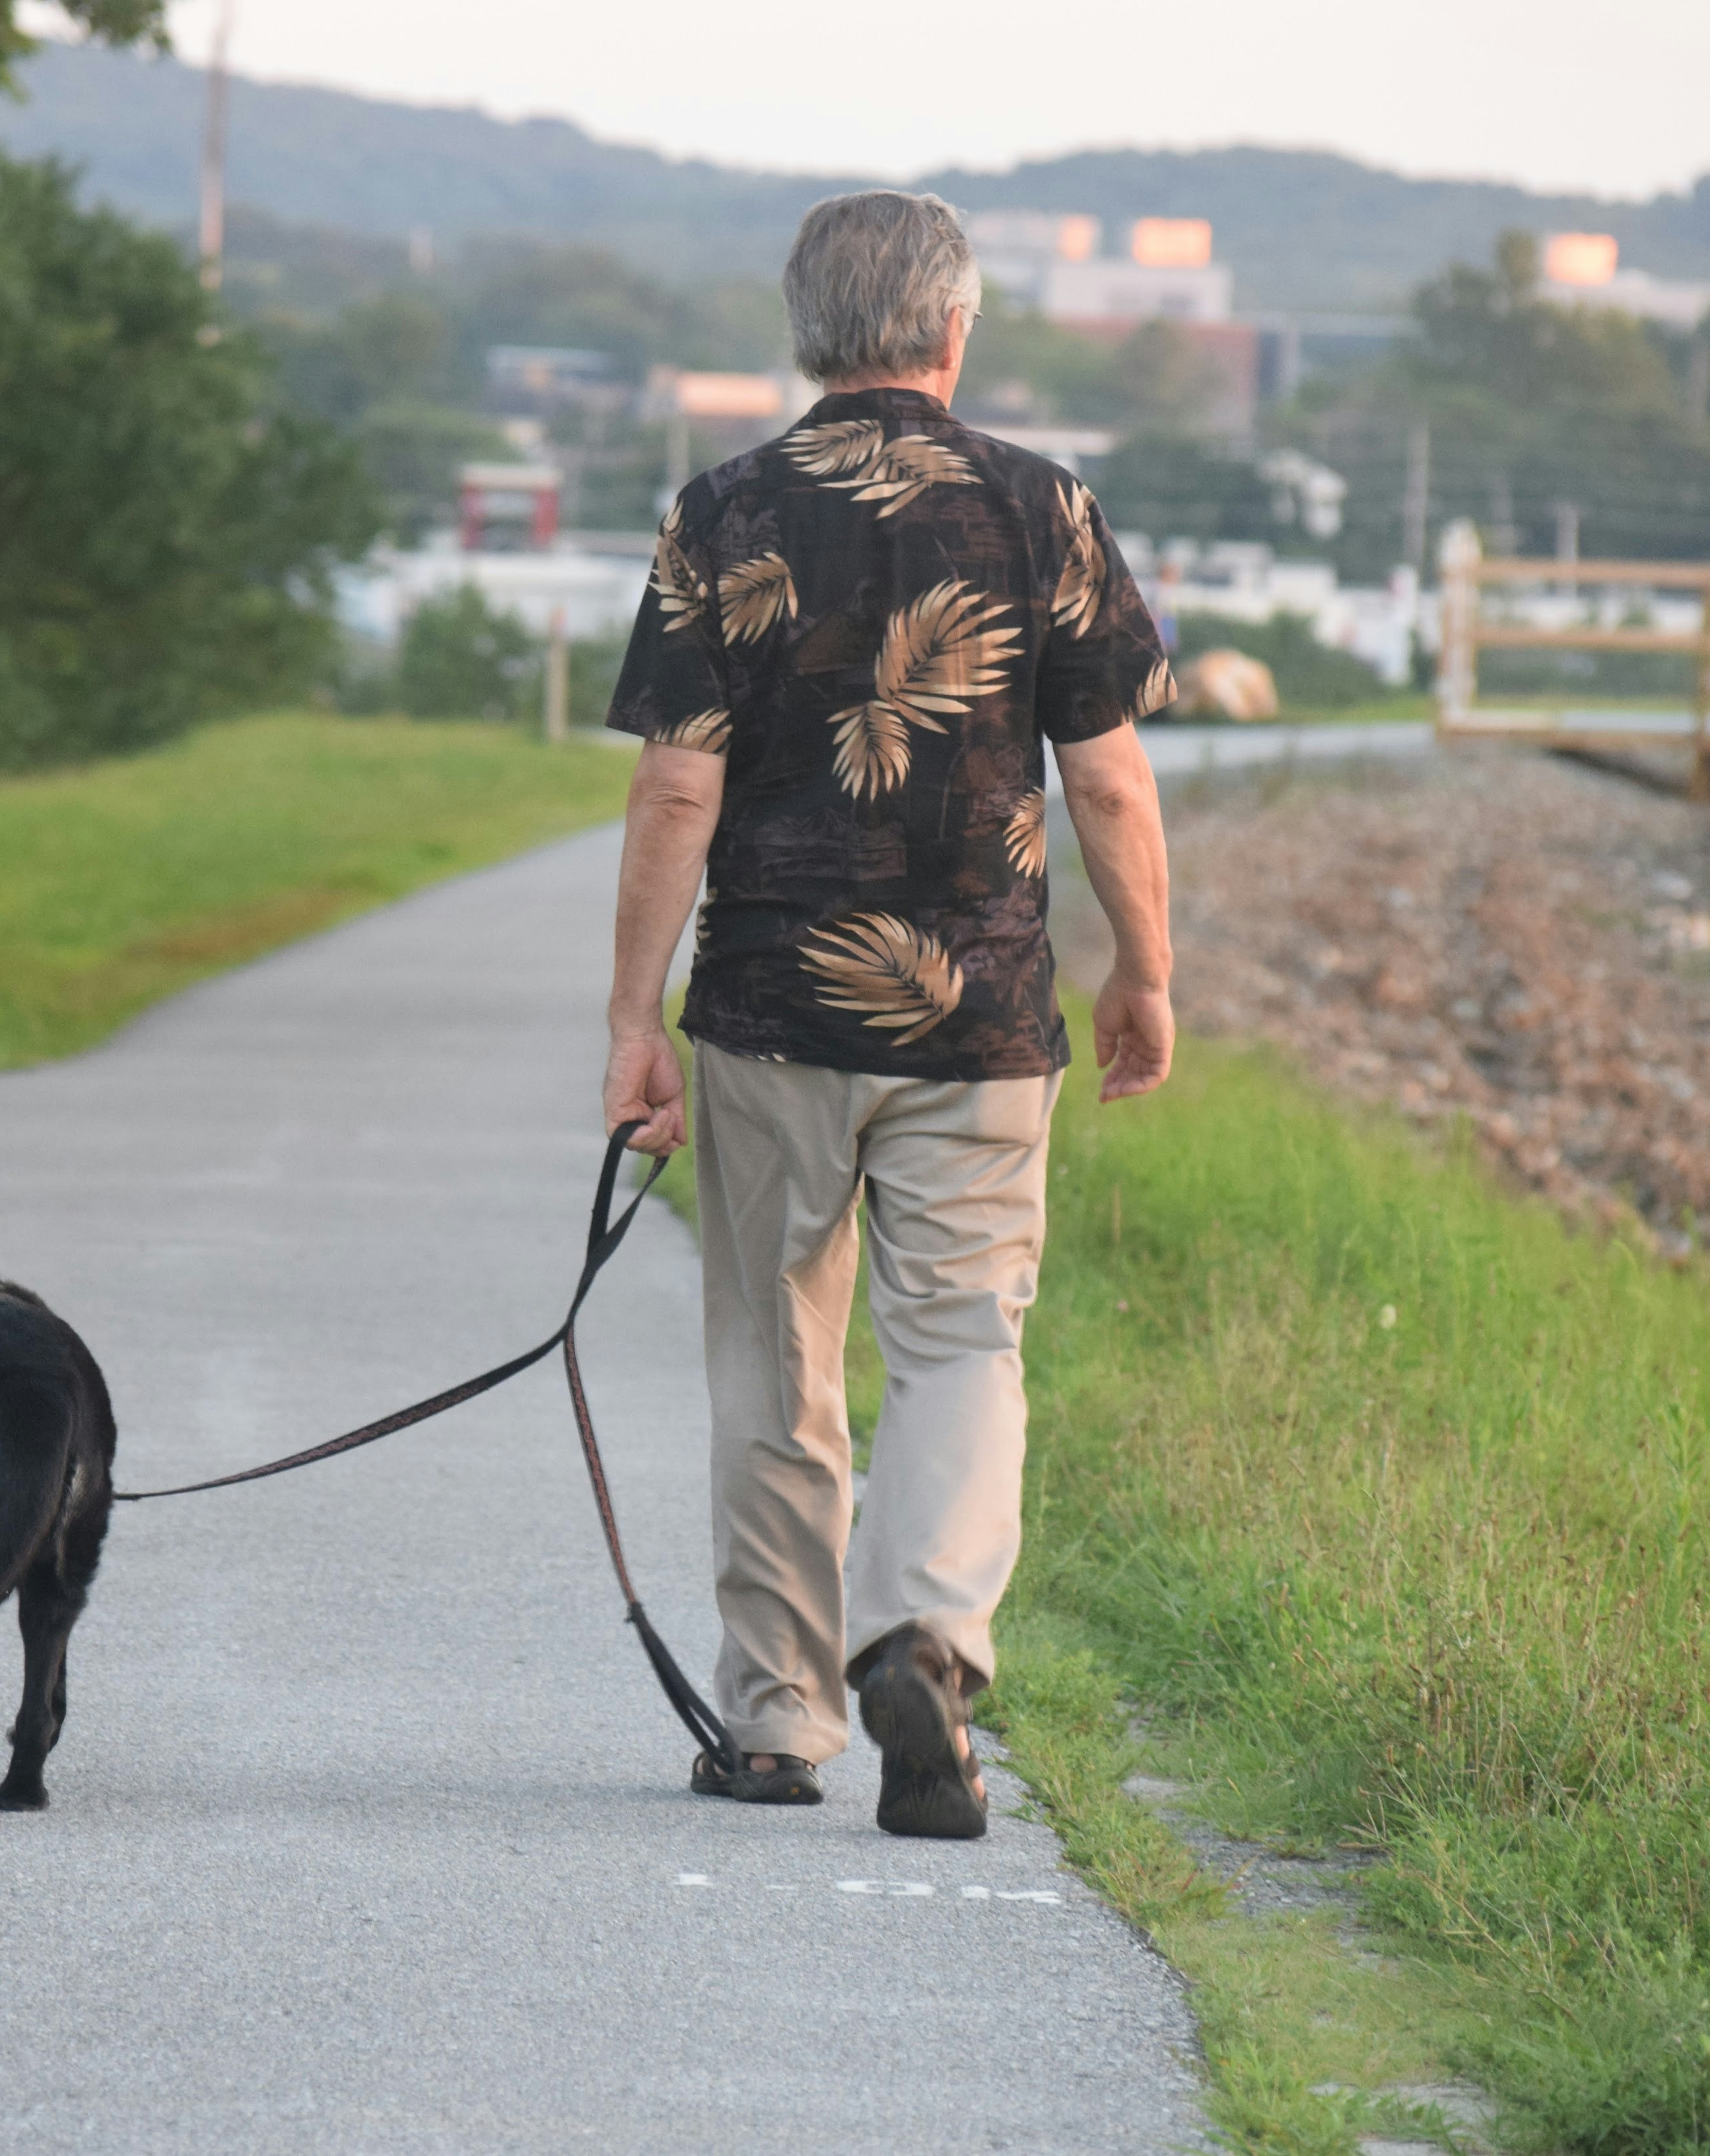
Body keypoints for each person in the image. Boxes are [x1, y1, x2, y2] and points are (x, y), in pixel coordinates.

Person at [599, 191, 1177, 1839]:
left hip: (771, 1009)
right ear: (951, 330)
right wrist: (1140, 967)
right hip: (980, 1017)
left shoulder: (721, 507)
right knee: (959, 1344)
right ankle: (919, 1634)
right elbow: (1112, 780)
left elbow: (667, 792)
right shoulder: (1035, 505)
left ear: (804, 334)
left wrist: (633, 1022)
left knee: (774, 1354)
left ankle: (776, 1719)